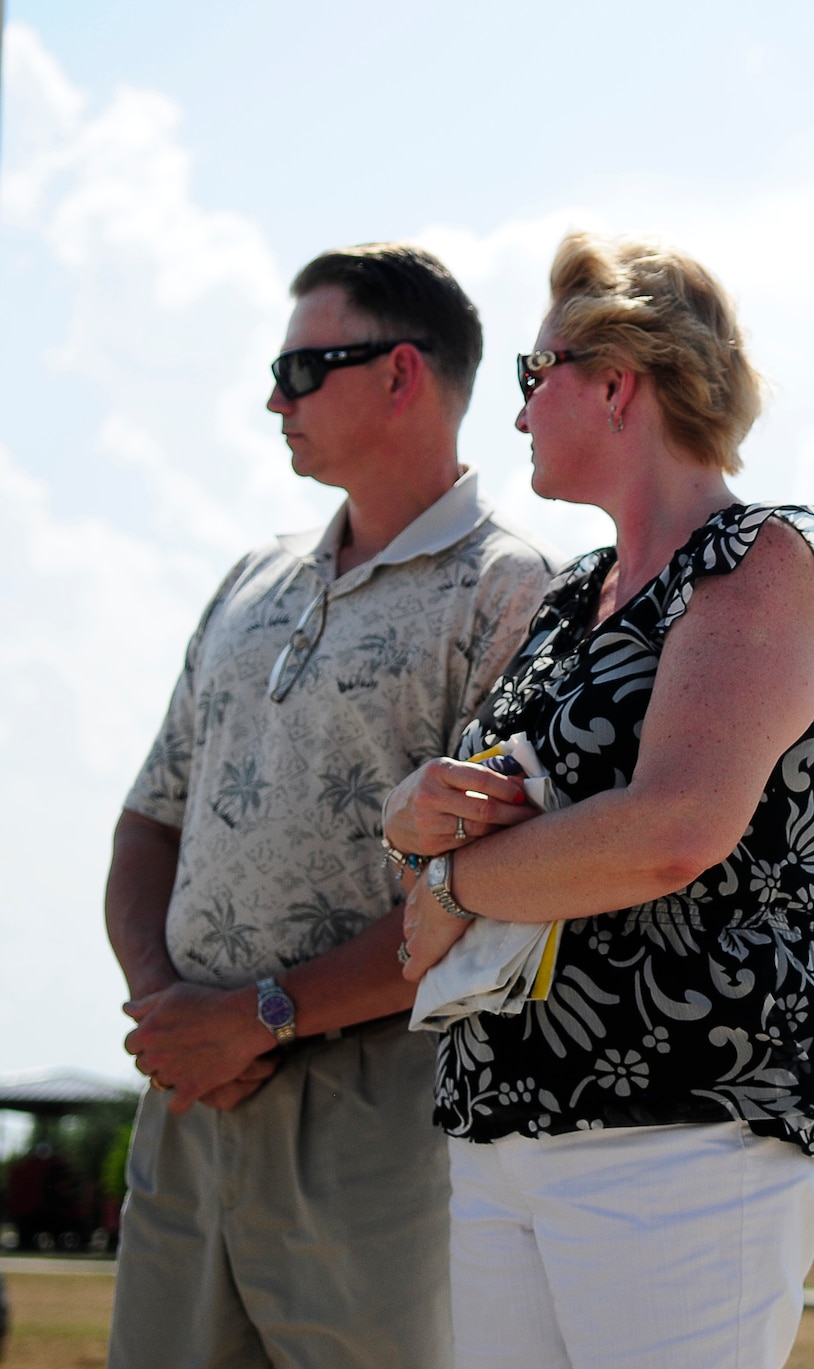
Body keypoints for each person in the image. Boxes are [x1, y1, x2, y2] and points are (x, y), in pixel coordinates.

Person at [383, 231, 814, 1369]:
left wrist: (453, 883)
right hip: (499, 1124)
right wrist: (414, 815)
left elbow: (671, 832)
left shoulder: (762, 560)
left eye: (532, 374)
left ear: (615, 382)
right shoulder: (564, 603)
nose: (516, 416)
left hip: (677, 1131)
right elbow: (510, 823)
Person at [108, 243, 556, 1369]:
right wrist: (173, 1011)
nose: (274, 398)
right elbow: (148, 820)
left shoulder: (513, 592)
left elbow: (492, 892)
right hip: (189, 1097)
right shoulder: (249, 581)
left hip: (377, 1111)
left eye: (301, 368)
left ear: (401, 373)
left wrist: (263, 1014)